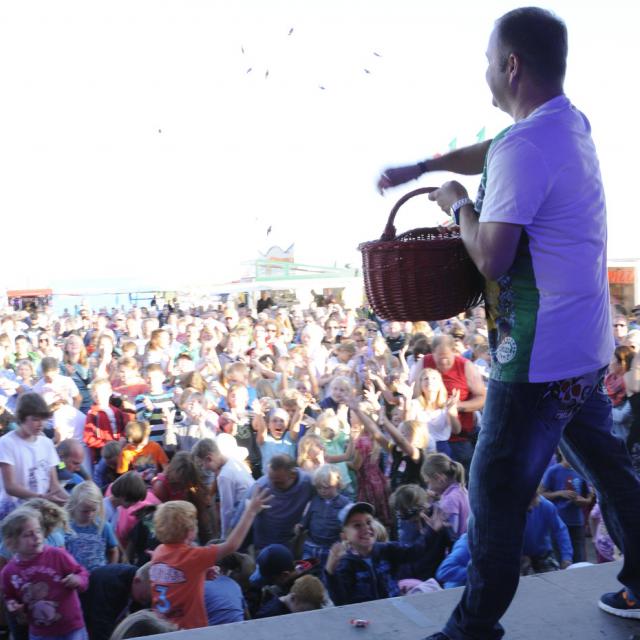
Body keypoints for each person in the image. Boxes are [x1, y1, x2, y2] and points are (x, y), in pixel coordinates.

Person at [378, 7, 640, 635]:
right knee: (608, 469)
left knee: (494, 494)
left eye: (489, 61)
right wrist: (425, 168)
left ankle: (471, 629)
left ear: (511, 65)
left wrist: (457, 204)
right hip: (583, 347)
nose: (485, 72)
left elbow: (492, 256)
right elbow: (495, 151)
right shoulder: (566, 124)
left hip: (535, 357)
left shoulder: (527, 144)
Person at [149, 489, 269, 630]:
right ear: (190, 530)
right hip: (188, 631)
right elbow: (232, 545)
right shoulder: (193, 556)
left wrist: (200, 573)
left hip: (162, 628)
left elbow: (175, 577)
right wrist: (250, 512)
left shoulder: (159, 552)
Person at [0, 506, 89, 640]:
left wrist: (78, 580)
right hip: (40, 632)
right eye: (28, 534)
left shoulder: (57, 555)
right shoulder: (9, 572)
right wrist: (12, 604)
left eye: (38, 531)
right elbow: (9, 595)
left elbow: (82, 573)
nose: (36, 537)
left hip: (71, 628)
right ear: (12, 543)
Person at [0, 393, 68, 519]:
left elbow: (54, 485)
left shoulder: (47, 443)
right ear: (22, 417)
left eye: (43, 419)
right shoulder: (6, 443)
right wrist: (40, 498)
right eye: (35, 419)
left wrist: (72, 502)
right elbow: (10, 486)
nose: (41, 424)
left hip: (40, 511)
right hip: (14, 514)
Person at [248, 454, 314, 553]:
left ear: (293, 475)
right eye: (271, 479)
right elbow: (241, 517)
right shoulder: (260, 486)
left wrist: (304, 522)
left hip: (290, 543)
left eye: (279, 482)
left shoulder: (308, 483)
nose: (273, 485)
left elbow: (322, 501)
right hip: (263, 546)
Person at [82, 563, 152, 640]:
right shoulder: (111, 585)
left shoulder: (137, 582)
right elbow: (100, 624)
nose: (147, 601)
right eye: (145, 598)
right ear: (137, 581)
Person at [65, 481, 119, 571]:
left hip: (98, 576)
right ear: (74, 505)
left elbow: (113, 550)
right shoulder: (65, 526)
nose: (90, 514)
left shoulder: (103, 526)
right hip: (74, 575)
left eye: (94, 510)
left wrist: (110, 571)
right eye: (85, 511)